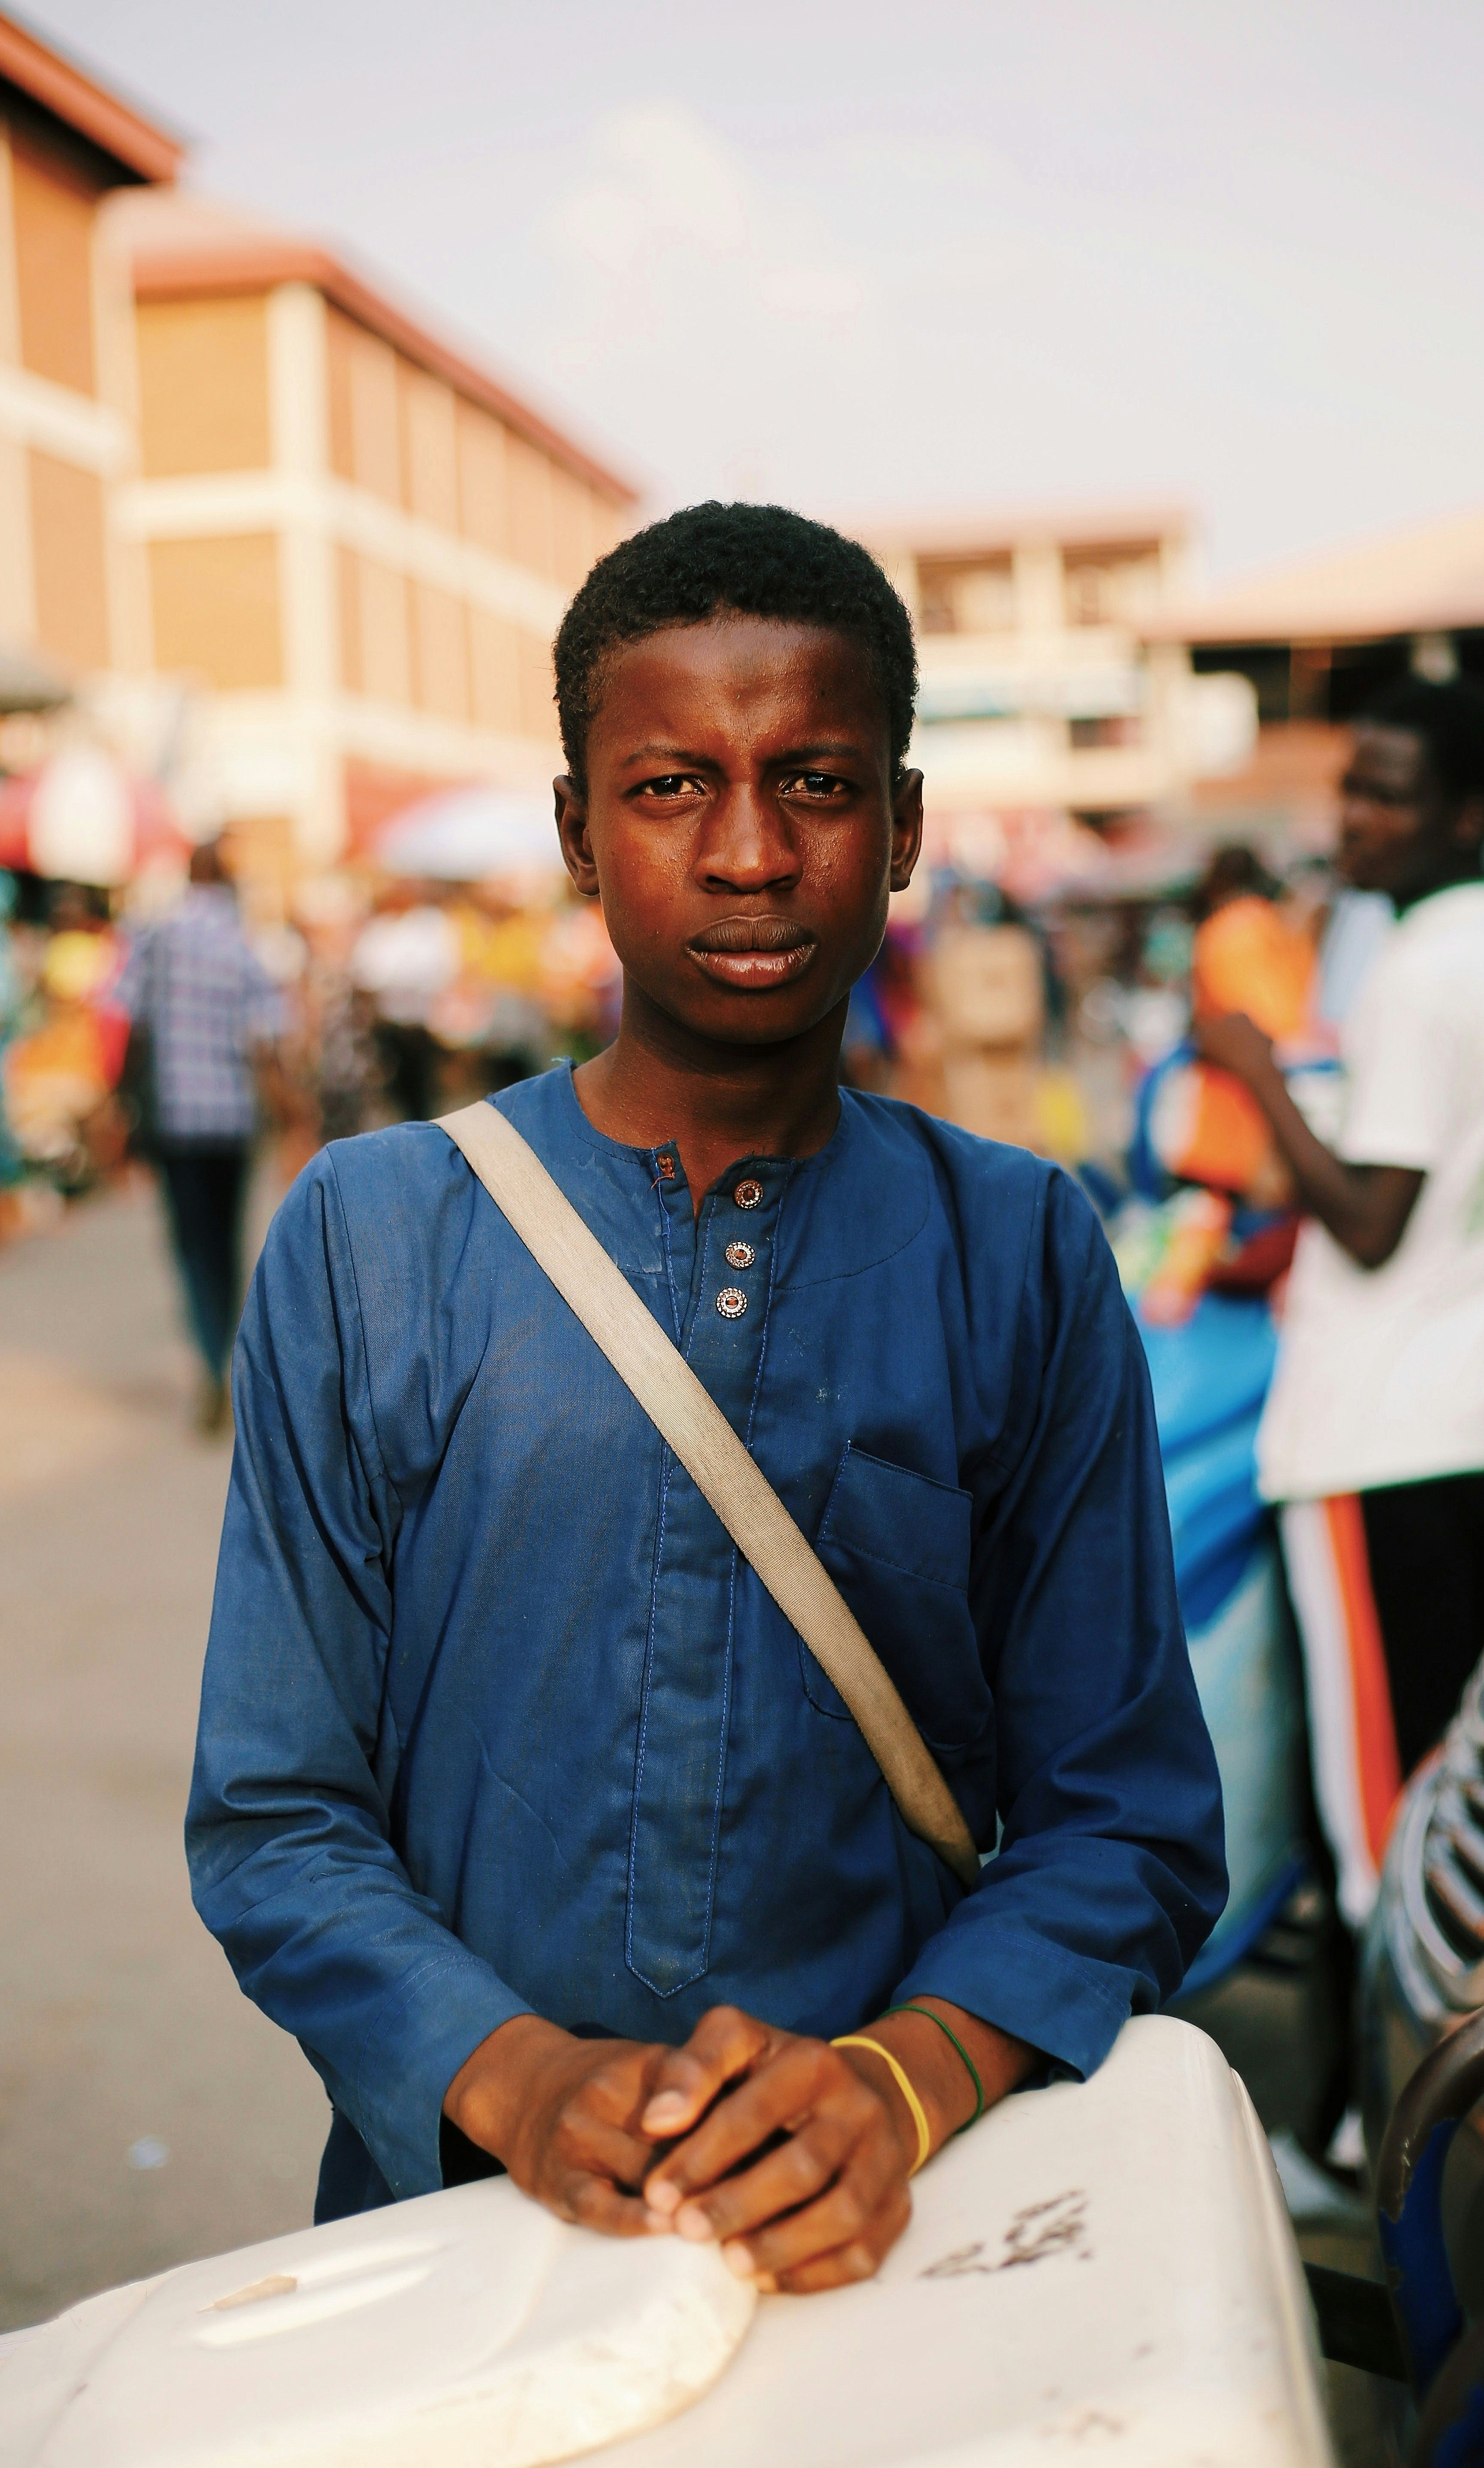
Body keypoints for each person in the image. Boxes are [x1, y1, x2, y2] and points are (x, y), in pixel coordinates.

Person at [188, 504, 1225, 2293]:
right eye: (672, 788)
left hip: (891, 2239)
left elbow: (1125, 1815)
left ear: (901, 829)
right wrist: (512, 2076)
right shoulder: (371, 1238)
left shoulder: (1022, 1251)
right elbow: (277, 1816)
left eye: (814, 784)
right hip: (460, 2234)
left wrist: (908, 2077)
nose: (749, 853)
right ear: (582, 835)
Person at [1198, 676, 1484, 1926]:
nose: (1352, 821)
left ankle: (1383, 2121)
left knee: (1385, 1814)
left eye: (1387, 797)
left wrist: (1253, 1071)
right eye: (1350, 787)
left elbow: (1371, 1223)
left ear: (1468, 813)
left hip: (1384, 1433)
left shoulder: (1421, 968)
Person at [115, 841, 285, 1432]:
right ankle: (229, 1359)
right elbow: (268, 1034)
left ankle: (210, 1360)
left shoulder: (157, 936)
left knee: (190, 1244)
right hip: (234, 1118)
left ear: (188, 875)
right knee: (227, 1242)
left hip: (177, 1117)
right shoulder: (244, 943)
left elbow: (129, 1018)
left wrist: (119, 1100)